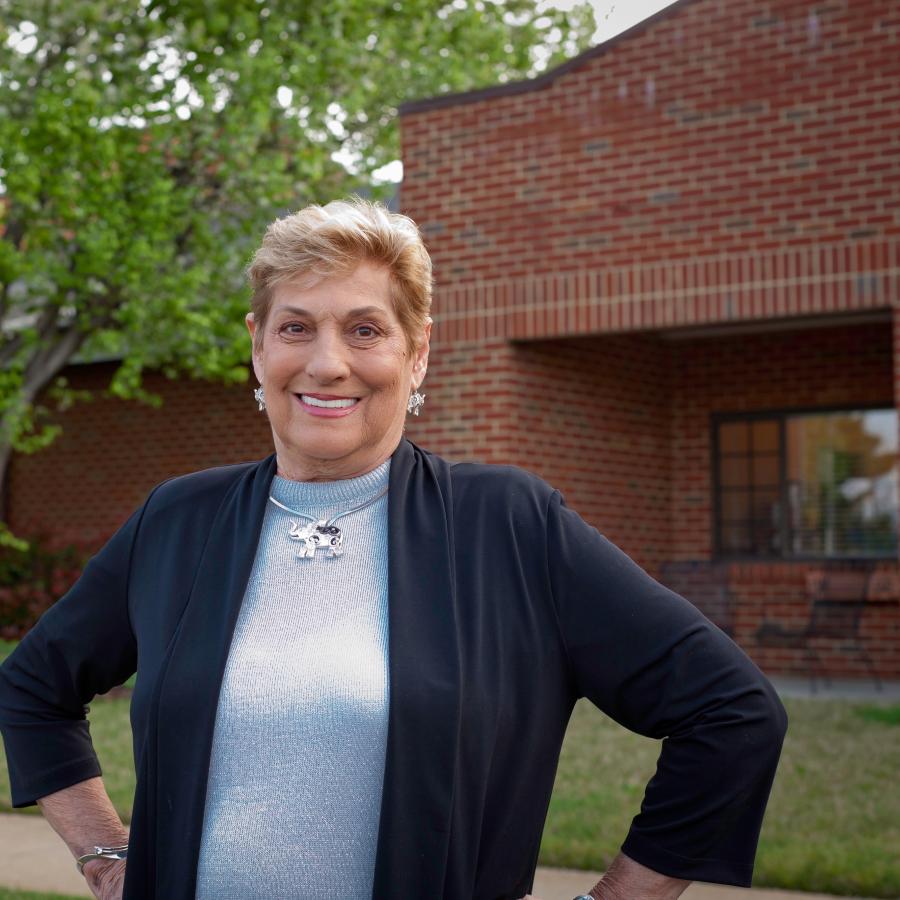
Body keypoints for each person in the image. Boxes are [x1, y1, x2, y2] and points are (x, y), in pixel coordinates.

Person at [0, 198, 787, 900]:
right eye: (295, 327)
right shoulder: (178, 519)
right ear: (257, 347)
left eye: (365, 329)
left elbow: (731, 714)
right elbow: (33, 686)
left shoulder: (507, 525)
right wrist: (105, 854)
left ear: (417, 354)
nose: (326, 362)